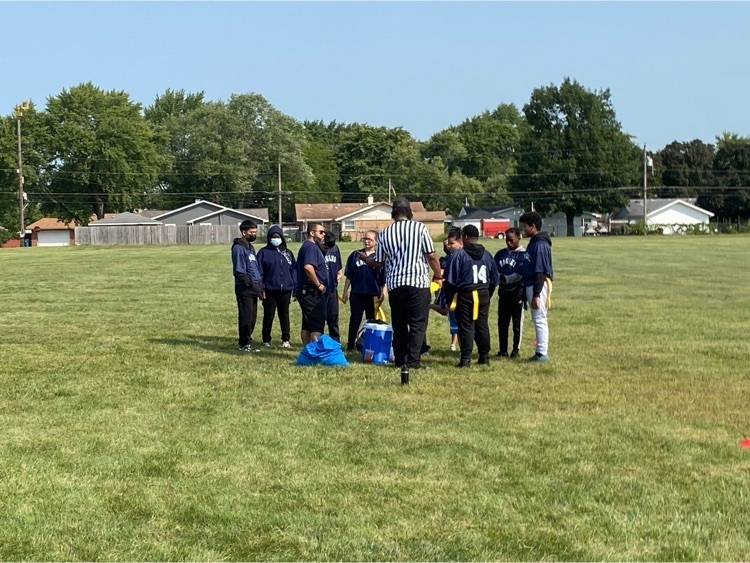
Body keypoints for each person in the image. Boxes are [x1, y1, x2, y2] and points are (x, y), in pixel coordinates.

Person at [358, 198, 442, 377]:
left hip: (395, 285)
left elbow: (378, 263)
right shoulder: (419, 228)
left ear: (393, 213)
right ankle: (413, 361)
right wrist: (438, 274)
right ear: (409, 212)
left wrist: (365, 259)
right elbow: (431, 255)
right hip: (417, 283)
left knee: (400, 324)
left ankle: (400, 360)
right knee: (418, 324)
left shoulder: (386, 233)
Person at [442, 224, 499, 368]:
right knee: (482, 325)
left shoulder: (459, 254)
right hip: (483, 292)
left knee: (466, 326)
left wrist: (449, 299)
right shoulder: (487, 254)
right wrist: (488, 293)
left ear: (465, 237)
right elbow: (494, 278)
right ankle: (484, 357)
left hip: (466, 293)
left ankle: (466, 359)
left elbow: (450, 281)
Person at [342, 230, 386, 352]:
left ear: (376, 242)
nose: (366, 241)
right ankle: (351, 345)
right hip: (357, 293)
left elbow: (384, 278)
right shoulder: (355, 255)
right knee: (355, 319)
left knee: (371, 321)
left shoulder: (379, 257)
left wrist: (383, 293)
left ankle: (368, 345)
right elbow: (349, 275)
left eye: (370, 239)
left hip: (372, 294)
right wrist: (345, 291)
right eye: (365, 239)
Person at [519, 211, 553, 362]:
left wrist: (536, 294)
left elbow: (540, 271)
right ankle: (540, 351)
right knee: (537, 317)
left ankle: (542, 352)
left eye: (525, 226)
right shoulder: (534, 242)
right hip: (531, 284)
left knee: (539, 317)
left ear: (533, 226)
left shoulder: (539, 244)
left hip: (536, 284)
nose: (523, 229)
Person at [256, 225, 296, 349]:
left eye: (278, 236)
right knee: (269, 315)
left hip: (285, 290)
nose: (276, 239)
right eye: (273, 237)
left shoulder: (287, 253)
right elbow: (259, 272)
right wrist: (261, 288)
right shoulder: (263, 252)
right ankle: (266, 339)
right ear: (269, 238)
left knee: (284, 315)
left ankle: (286, 339)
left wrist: (294, 286)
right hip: (270, 289)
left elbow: (293, 270)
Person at [494, 227, 527, 359]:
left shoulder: (523, 254)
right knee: (503, 322)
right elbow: (494, 269)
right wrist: (497, 278)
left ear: (519, 238)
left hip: (517, 292)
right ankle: (503, 350)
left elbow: (519, 274)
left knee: (517, 323)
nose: (508, 243)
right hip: (503, 293)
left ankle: (515, 350)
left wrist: (504, 279)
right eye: (507, 240)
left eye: (511, 240)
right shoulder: (500, 254)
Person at [231, 220, 263, 352]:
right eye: (251, 232)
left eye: (255, 232)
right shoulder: (239, 248)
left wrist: (259, 285)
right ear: (243, 232)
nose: (253, 234)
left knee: (252, 317)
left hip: (255, 286)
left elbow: (254, 267)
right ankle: (243, 343)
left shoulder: (250, 247)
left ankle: (248, 341)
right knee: (245, 316)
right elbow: (239, 271)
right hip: (245, 287)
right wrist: (249, 284)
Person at [295, 222, 329, 345]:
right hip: (311, 292)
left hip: (306, 291)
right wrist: (319, 285)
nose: (323, 234)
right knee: (317, 324)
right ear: (312, 233)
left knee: (307, 324)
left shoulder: (309, 246)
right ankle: (315, 352)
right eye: (321, 232)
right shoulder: (311, 247)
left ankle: (307, 351)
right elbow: (308, 267)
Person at [430, 229, 462, 351]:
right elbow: (436, 275)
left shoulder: (460, 258)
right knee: (449, 313)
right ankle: (454, 343)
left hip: (456, 292)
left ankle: (457, 344)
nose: (448, 246)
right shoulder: (443, 260)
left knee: (454, 315)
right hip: (445, 291)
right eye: (446, 244)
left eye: (450, 243)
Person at [320, 231, 343, 342]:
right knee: (319, 319)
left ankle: (335, 343)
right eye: (326, 247)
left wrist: (338, 275)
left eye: (330, 247)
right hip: (320, 289)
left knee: (333, 318)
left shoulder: (335, 249)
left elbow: (339, 268)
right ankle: (318, 343)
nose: (328, 249)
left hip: (332, 289)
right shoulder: (316, 249)